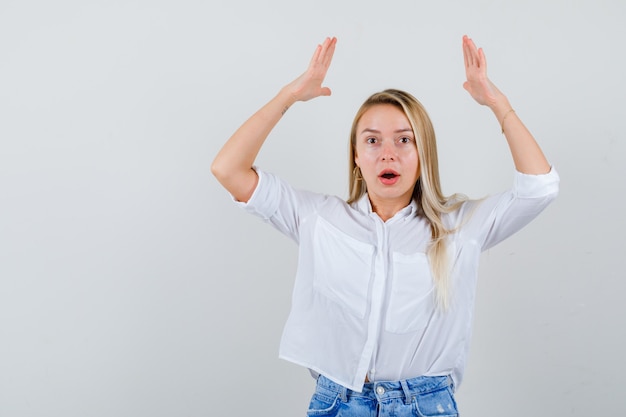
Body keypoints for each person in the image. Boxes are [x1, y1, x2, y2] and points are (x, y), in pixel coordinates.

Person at [211, 36, 559, 416]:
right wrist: (288, 96)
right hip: (337, 404)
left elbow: (539, 188)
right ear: (357, 157)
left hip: (423, 406)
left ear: (423, 154)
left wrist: (497, 103)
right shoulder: (319, 219)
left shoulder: (460, 227)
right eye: (372, 140)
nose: (388, 152)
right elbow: (228, 169)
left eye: (404, 140)